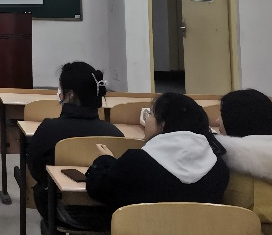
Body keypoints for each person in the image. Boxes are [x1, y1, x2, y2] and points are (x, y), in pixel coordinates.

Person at [86, 92, 229, 211]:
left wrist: (105, 160)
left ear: (163, 124)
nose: (146, 120)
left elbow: (98, 189)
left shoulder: (136, 162)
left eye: (150, 114)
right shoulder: (219, 168)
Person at [25, 61, 122, 229]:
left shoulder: (49, 129)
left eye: (60, 88)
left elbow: (35, 169)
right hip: (109, 214)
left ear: (70, 95)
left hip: (61, 211)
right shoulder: (115, 134)